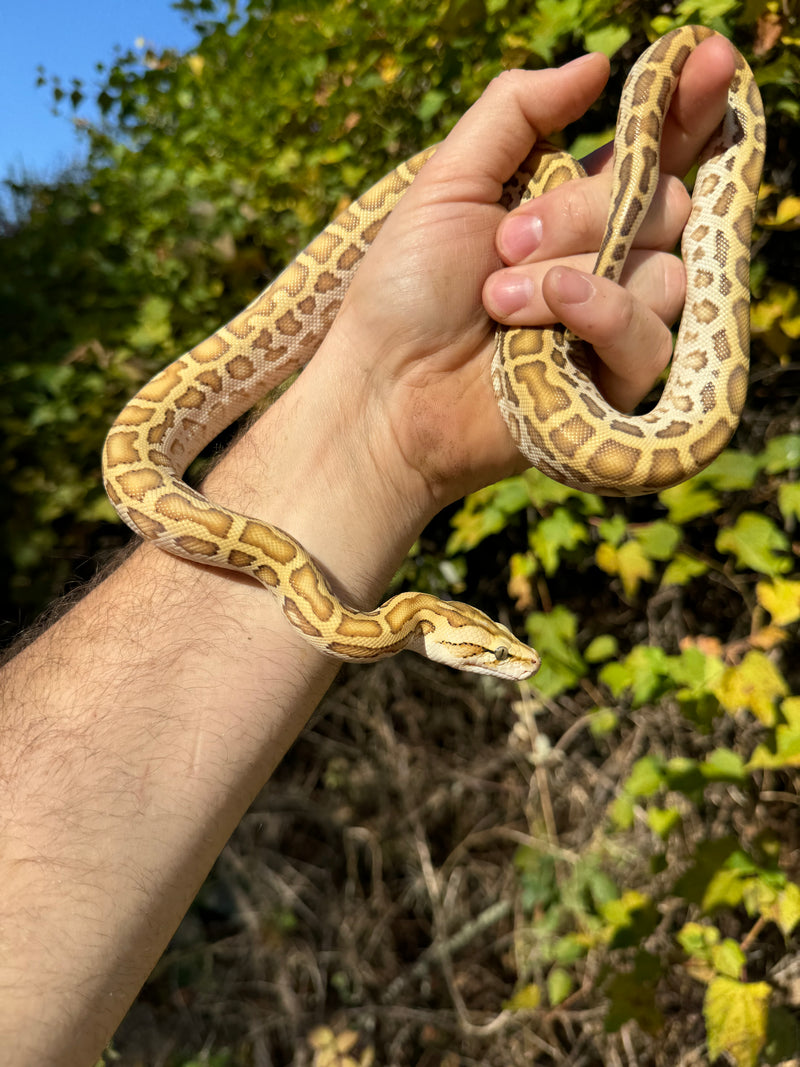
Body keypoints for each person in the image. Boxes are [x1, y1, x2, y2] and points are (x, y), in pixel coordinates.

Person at [0, 36, 736, 1066]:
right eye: (486, 650)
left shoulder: (351, 606)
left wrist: (380, 428)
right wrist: (374, 423)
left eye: (485, 650)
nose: (500, 659)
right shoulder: (357, 616)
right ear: (427, 627)